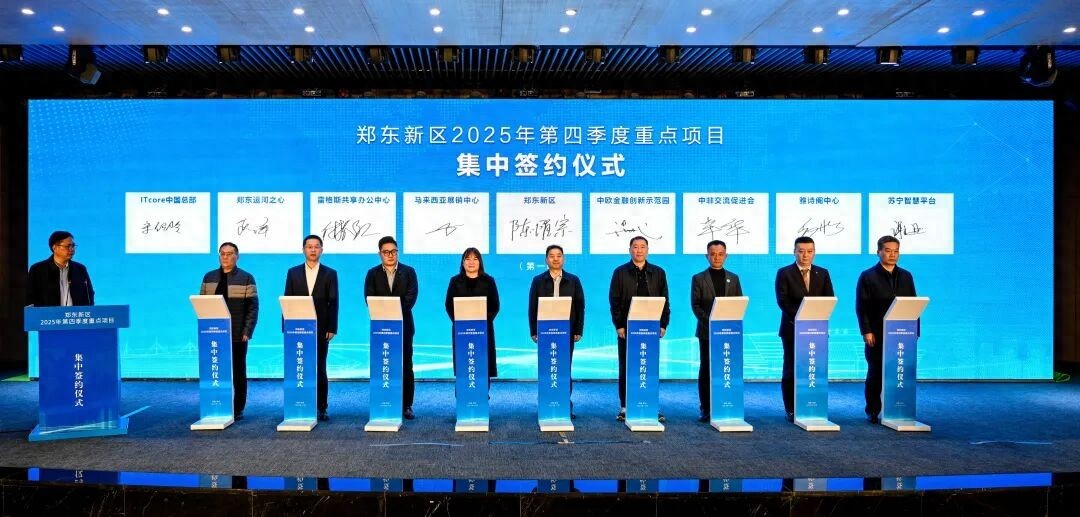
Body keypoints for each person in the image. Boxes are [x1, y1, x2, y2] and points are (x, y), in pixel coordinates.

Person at [856, 235, 917, 424]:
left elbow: (913, 304)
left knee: (899, 371)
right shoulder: (868, 276)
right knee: (876, 372)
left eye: (896, 251)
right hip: (877, 333)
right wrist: (866, 331)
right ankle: (873, 410)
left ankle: (898, 408)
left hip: (902, 334)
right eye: (888, 251)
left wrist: (915, 331)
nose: (892, 254)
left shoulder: (906, 276)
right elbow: (861, 306)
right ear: (878, 252)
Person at [608, 236, 670, 422]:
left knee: (649, 367)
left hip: (651, 328)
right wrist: (619, 325)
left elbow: (665, 300)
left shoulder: (658, 272)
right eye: (635, 247)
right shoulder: (620, 272)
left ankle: (651, 405)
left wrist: (663, 324)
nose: (639, 250)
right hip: (627, 328)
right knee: (626, 367)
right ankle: (625, 407)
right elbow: (614, 301)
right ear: (630, 250)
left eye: (643, 247)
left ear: (647, 250)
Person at [775, 236, 834, 422]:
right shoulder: (784, 273)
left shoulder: (822, 273)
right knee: (791, 369)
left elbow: (829, 299)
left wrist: (814, 320)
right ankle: (791, 408)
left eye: (809, 251)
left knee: (815, 369)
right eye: (801, 251)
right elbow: (782, 301)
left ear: (814, 253)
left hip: (817, 331)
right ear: (794, 252)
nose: (805, 255)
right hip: (792, 329)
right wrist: (802, 318)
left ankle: (813, 405)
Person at [200, 242, 258, 419]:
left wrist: (247, 330)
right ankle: (216, 404)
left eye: (229, 254)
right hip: (213, 333)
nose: (225, 257)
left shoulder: (246, 278)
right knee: (216, 369)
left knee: (238, 371)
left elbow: (253, 308)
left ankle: (238, 408)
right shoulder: (209, 277)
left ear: (237, 256)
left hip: (237, 333)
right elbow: (202, 304)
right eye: (222, 254)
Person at [284, 235, 339, 422]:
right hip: (297, 329)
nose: (313, 250)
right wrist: (286, 326)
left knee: (320, 367)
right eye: (309, 247)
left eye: (317, 247)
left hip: (321, 328)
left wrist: (332, 327)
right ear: (303, 250)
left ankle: (322, 407)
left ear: (321, 250)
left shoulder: (330, 273)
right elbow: (287, 299)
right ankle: (300, 404)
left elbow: (334, 302)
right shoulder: (293, 273)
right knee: (299, 366)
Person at [363, 236, 419, 420]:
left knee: (406, 364)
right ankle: (384, 401)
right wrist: (386, 311)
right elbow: (369, 298)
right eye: (386, 252)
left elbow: (411, 298)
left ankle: (407, 405)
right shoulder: (372, 274)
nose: (390, 255)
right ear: (379, 254)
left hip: (404, 326)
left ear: (397, 252)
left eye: (393, 251)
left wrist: (393, 310)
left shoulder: (409, 272)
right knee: (384, 364)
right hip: (380, 328)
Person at [527, 244, 585, 419]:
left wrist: (578, 329)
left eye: (559, 255)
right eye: (551, 256)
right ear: (546, 259)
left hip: (567, 332)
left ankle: (565, 405)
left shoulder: (573, 280)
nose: (555, 259)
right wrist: (534, 330)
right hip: (545, 333)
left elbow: (580, 307)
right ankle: (546, 404)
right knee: (547, 368)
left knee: (564, 369)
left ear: (563, 259)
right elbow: (532, 307)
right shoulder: (538, 280)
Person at [690, 239, 744, 423]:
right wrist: (711, 323)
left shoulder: (734, 278)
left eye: (720, 254)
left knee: (726, 368)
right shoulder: (698, 278)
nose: (717, 257)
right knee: (706, 369)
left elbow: (738, 304)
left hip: (729, 333)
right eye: (713, 254)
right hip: (707, 332)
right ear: (707, 256)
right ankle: (705, 408)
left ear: (726, 256)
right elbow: (696, 306)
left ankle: (726, 405)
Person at [444, 247, 500, 390]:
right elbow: (449, 305)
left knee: (483, 363)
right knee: (464, 362)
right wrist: (460, 323)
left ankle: (483, 395)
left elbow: (495, 305)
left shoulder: (489, 281)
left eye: (475, 259)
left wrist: (481, 323)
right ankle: (462, 395)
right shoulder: (455, 281)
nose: (471, 262)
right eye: (467, 259)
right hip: (462, 331)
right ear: (463, 263)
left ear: (480, 262)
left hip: (483, 331)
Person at [27, 230, 94, 307]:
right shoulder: (38, 270)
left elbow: (89, 294)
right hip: (49, 314)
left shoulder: (80, 269)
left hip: (75, 314)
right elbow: (29, 297)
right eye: (68, 246)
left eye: (73, 246)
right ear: (54, 248)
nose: (72, 249)